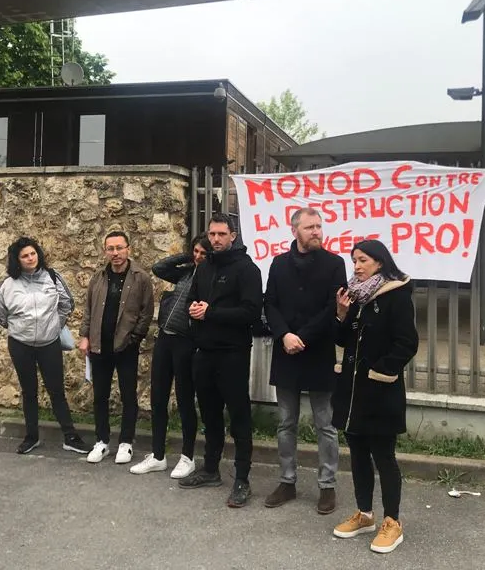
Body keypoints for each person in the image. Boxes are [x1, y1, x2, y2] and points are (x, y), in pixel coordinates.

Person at [331, 239, 418, 555]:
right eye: (354, 260)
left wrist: (380, 371)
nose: (356, 266)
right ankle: (365, 514)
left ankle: (392, 521)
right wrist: (341, 314)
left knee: (384, 456)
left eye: (363, 260)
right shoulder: (355, 296)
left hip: (380, 390)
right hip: (352, 392)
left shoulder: (396, 295)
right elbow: (341, 339)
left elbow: (407, 343)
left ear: (379, 262)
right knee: (357, 453)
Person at [262, 207, 347, 515]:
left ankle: (327, 485)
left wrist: (303, 337)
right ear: (294, 230)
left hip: (318, 353)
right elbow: (269, 303)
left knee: (325, 424)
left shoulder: (334, 264)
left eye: (319, 226)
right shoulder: (279, 263)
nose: (316, 231)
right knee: (286, 423)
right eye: (310, 227)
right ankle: (287, 481)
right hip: (286, 353)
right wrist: (284, 335)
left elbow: (331, 308)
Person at [178, 214, 263, 509]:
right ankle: (211, 469)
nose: (215, 239)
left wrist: (210, 312)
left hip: (233, 353)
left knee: (239, 417)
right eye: (212, 234)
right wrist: (194, 309)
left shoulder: (247, 269)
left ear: (233, 236)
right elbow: (191, 300)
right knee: (210, 414)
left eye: (221, 234)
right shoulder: (204, 267)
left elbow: (251, 312)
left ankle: (242, 479)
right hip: (204, 352)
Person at [0, 236, 91, 456]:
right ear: (17, 260)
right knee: (29, 391)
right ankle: (31, 437)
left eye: (33, 253)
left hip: (49, 343)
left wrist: (54, 326)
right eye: (25, 256)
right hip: (20, 345)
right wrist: (21, 328)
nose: (30, 258)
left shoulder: (52, 277)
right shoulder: (8, 285)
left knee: (57, 391)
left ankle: (70, 437)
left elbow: (67, 304)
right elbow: (1, 315)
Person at [130, 235, 211, 479]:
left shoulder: (210, 278)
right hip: (165, 338)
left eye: (203, 253)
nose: (198, 256)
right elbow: (159, 268)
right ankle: (157, 456)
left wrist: (203, 263)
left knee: (185, 400)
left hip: (186, 341)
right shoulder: (185, 272)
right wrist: (187, 257)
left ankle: (187, 457)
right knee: (158, 398)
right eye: (195, 251)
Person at [79, 231, 154, 464]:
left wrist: (134, 338)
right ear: (105, 251)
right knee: (100, 396)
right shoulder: (98, 277)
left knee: (128, 395)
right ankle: (101, 442)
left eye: (119, 248)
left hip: (125, 347)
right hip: (99, 346)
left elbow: (146, 312)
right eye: (110, 248)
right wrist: (85, 336)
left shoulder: (141, 278)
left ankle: (126, 443)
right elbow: (88, 309)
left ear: (128, 249)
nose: (115, 253)